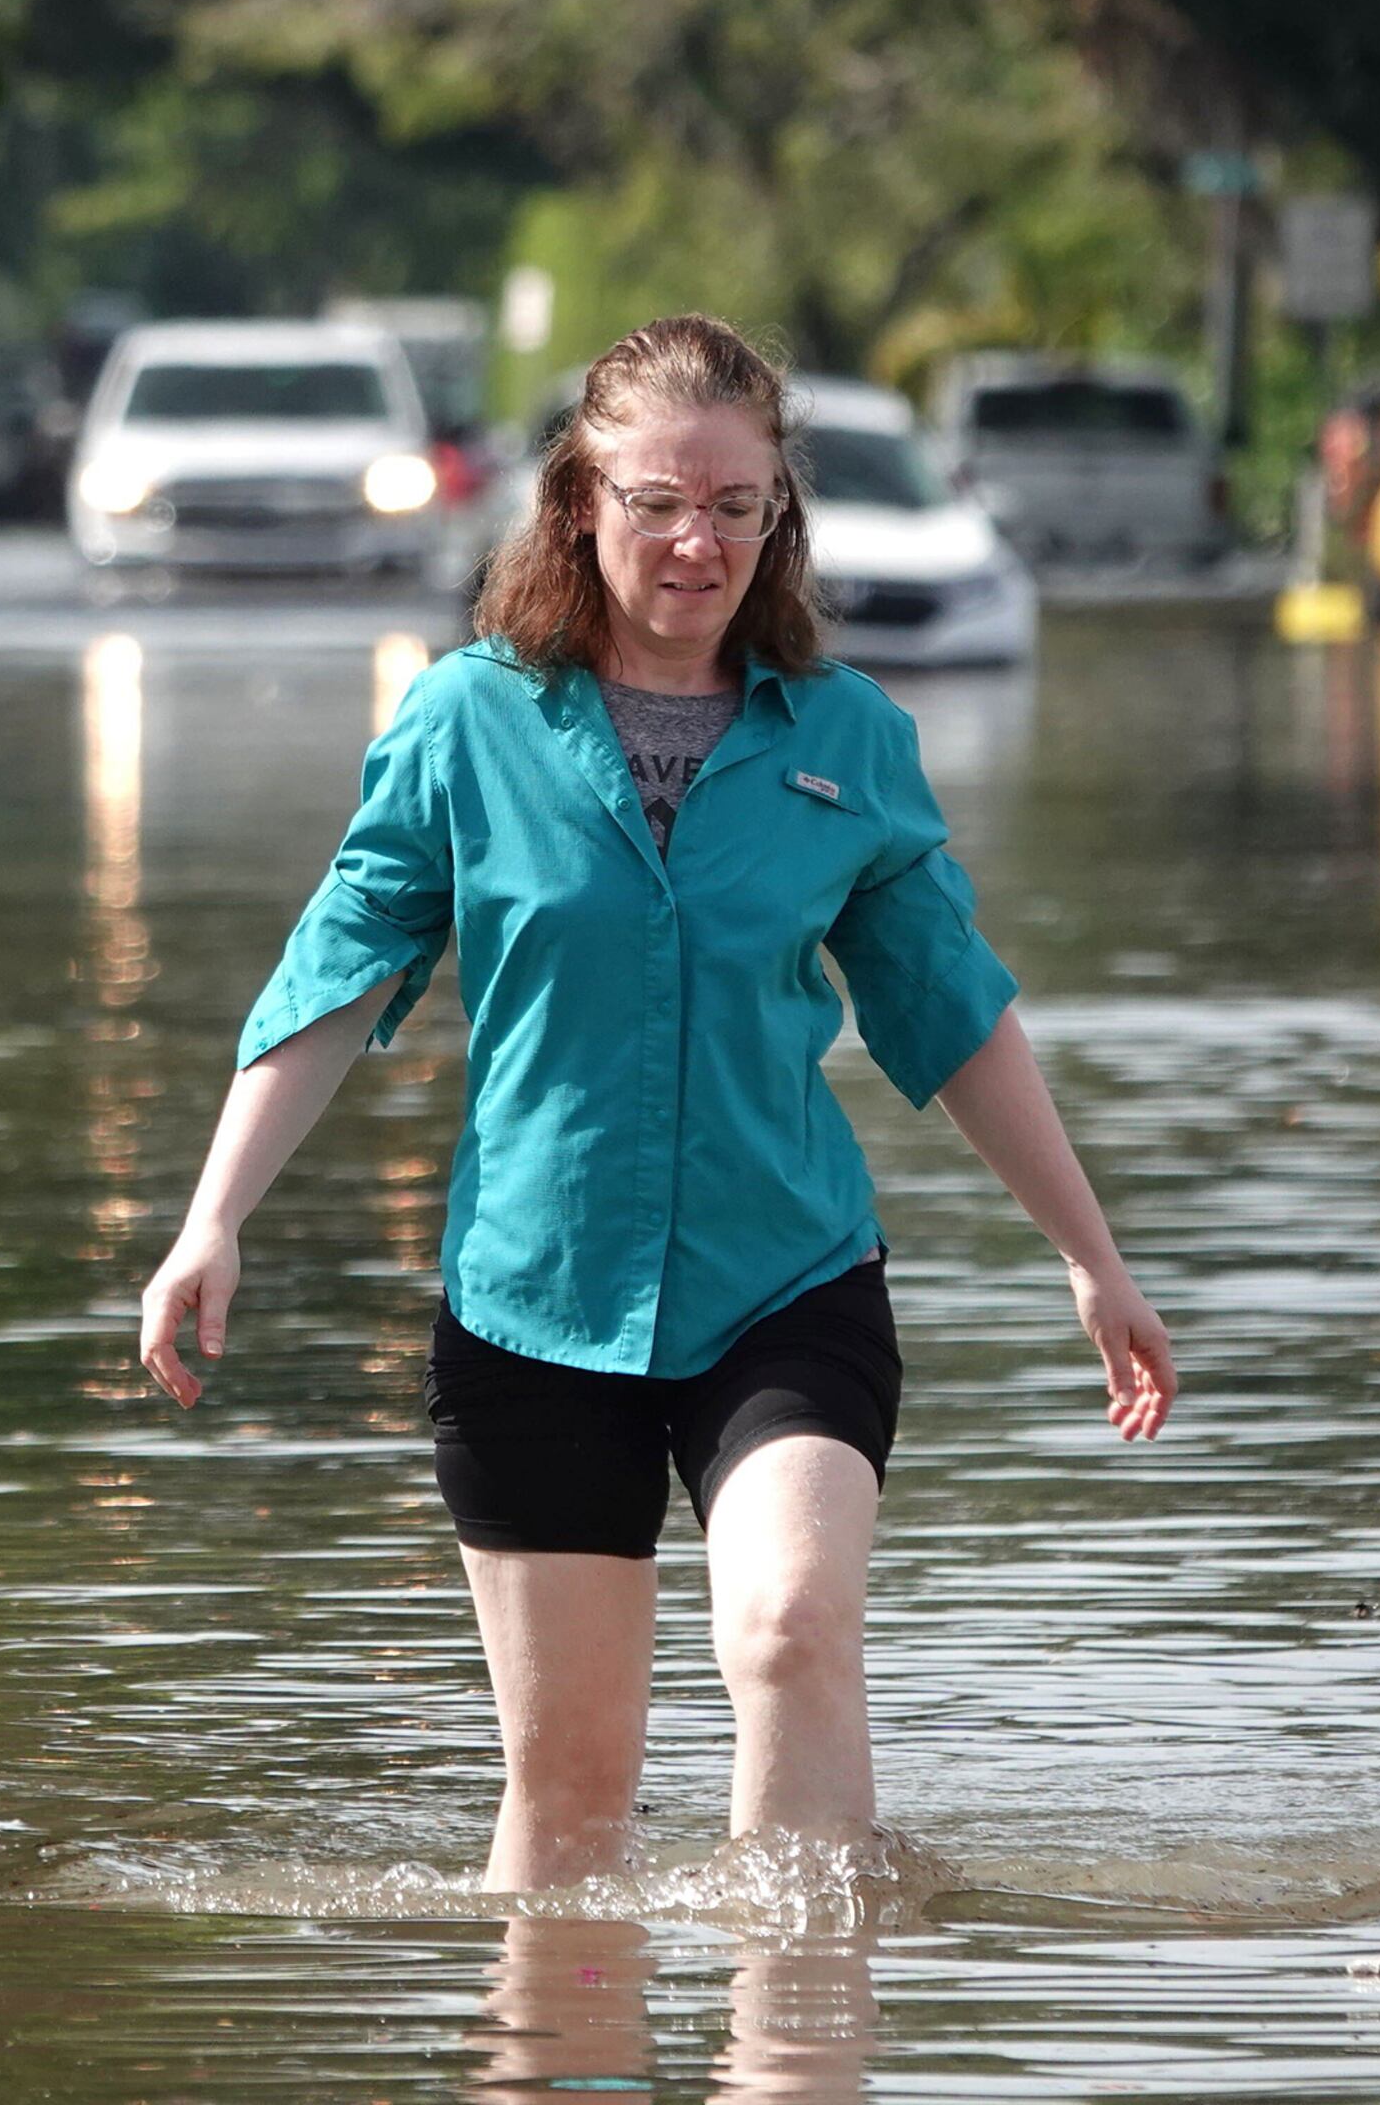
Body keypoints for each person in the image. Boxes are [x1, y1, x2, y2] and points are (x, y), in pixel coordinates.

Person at [135, 314, 1175, 1891]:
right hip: (534, 1305)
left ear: (780, 519)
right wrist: (213, 1221)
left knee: (791, 1626)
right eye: (659, 502)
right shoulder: (467, 722)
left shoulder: (846, 742)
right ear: (579, 505)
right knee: (567, 1815)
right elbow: (340, 972)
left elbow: (952, 1012)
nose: (700, 543)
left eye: (739, 507)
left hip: (788, 1284)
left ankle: (804, 2026)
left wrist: (1092, 1259)